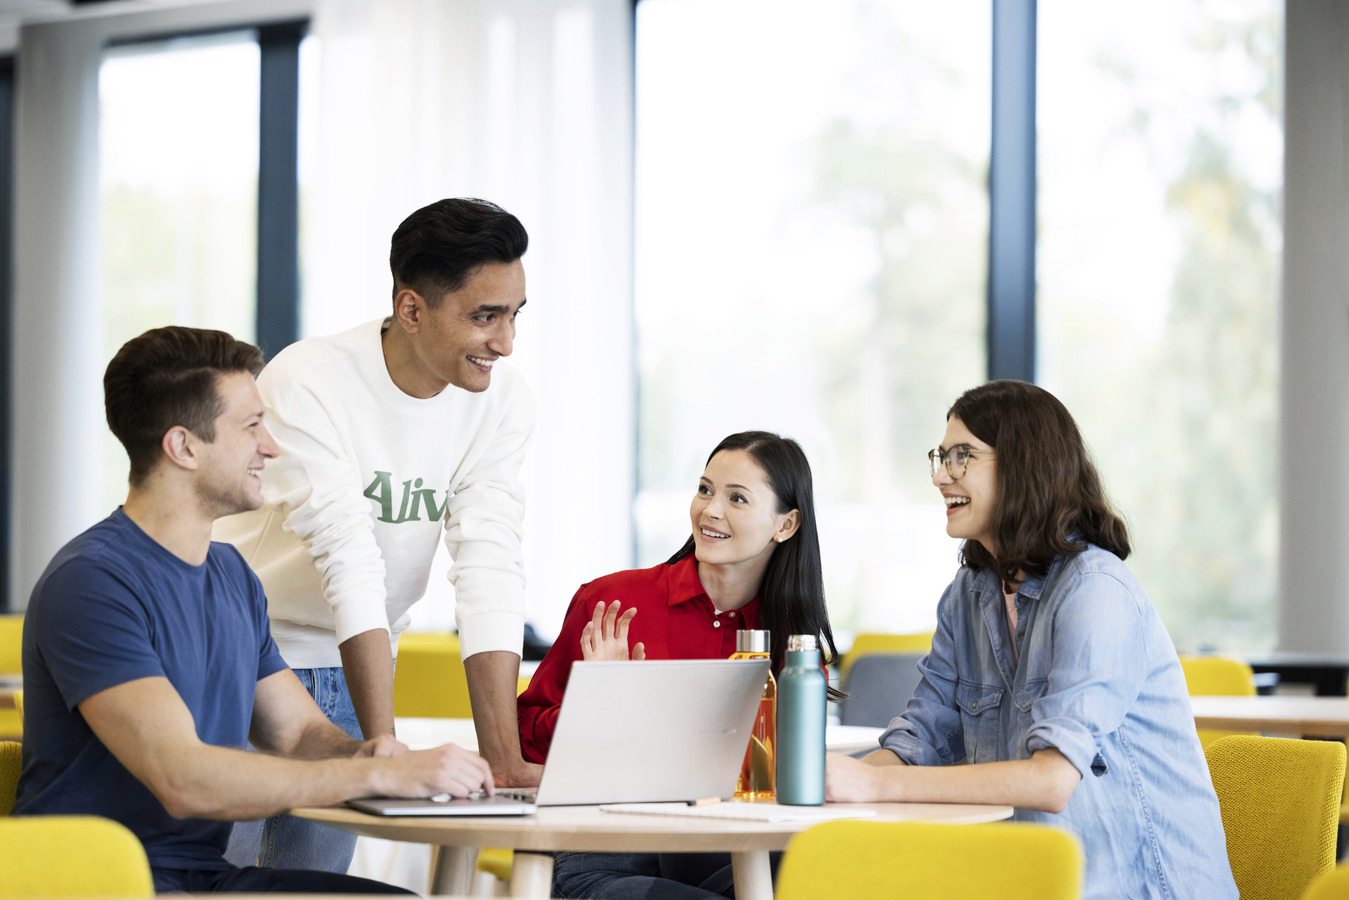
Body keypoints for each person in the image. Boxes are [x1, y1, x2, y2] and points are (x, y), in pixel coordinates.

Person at [14, 326, 494, 895]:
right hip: (101, 883)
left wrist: (376, 753)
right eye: (250, 427)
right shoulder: (93, 581)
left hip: (199, 878)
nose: (271, 446)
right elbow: (182, 777)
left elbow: (294, 734)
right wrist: (377, 774)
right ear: (183, 447)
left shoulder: (232, 576)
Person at [215, 197, 538, 872]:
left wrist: (503, 757)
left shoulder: (502, 401)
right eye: (485, 316)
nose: (505, 342)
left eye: (514, 314)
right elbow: (348, 554)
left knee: (312, 887)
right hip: (249, 663)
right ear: (413, 308)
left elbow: (489, 564)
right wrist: (383, 748)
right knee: (218, 881)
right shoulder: (310, 380)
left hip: (353, 666)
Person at [825, 381, 1238, 900]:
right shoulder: (969, 594)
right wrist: (832, 781)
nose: (939, 476)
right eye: (940, 456)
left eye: (962, 456)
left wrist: (874, 785)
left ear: (1023, 466)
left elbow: (1051, 782)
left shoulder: (1097, 591)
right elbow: (922, 738)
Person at [517, 431, 842, 899]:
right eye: (705, 489)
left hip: (732, 851)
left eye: (737, 498)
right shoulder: (614, 602)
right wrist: (600, 702)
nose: (710, 510)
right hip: (604, 850)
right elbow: (524, 735)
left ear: (785, 525)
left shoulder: (793, 640)